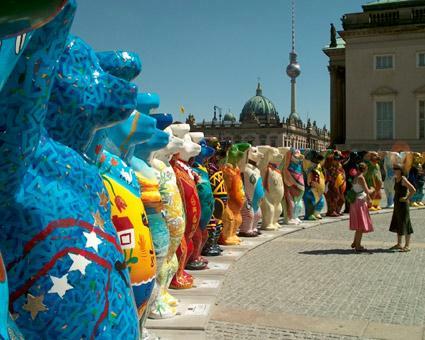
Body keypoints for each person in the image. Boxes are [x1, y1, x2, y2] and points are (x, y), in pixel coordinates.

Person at [389, 164, 416, 252]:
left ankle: (407, 245)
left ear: (400, 170)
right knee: (398, 222)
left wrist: (407, 198)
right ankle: (399, 244)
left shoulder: (403, 179)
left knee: (405, 223)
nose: (394, 170)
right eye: (394, 169)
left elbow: (413, 190)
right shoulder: (396, 178)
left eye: (396, 169)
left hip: (403, 205)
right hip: (397, 204)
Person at [349, 162, 375, 251]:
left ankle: (355, 242)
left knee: (358, 223)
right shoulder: (361, 178)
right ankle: (358, 246)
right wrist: (372, 189)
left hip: (354, 202)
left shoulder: (355, 177)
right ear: (365, 170)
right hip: (360, 202)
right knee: (360, 224)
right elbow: (367, 190)